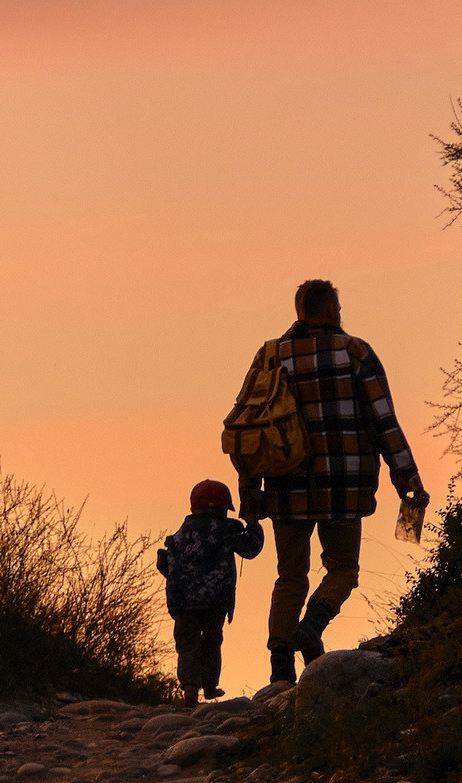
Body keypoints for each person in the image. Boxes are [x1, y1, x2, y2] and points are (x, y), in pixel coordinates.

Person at [231, 278, 427, 683]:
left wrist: (250, 491)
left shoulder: (271, 355)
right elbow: (383, 421)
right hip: (345, 487)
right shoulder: (355, 352)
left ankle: (280, 672)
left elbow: (246, 425)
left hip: (285, 486)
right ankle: (311, 628)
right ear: (332, 310)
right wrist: (407, 478)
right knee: (342, 570)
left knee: (289, 575)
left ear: (299, 310)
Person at [154, 478, 264, 708]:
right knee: (212, 641)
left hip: (183, 600)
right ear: (223, 508)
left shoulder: (180, 535)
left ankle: (190, 688)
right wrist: (253, 523)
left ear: (193, 506)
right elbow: (251, 548)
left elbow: (166, 564)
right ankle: (210, 686)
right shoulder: (228, 529)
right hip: (216, 599)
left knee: (187, 643)